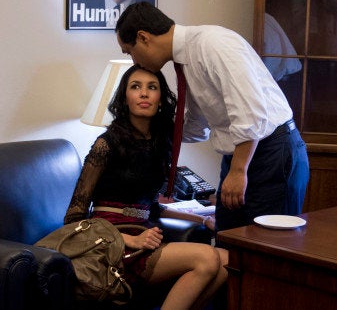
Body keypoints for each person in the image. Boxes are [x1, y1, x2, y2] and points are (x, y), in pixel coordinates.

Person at [115, 2, 310, 235]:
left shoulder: (213, 45)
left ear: (144, 37)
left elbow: (250, 112)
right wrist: (144, 129)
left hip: (270, 154)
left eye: (130, 51)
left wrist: (238, 171)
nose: (135, 62)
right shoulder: (186, 60)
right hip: (242, 154)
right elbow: (197, 126)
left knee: (265, 250)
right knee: (227, 238)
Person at [63, 64, 227, 310]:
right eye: (135, 87)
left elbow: (152, 208)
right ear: (124, 98)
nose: (143, 93)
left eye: (152, 87)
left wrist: (202, 221)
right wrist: (130, 240)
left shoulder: (162, 142)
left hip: (146, 233)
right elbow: (74, 219)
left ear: (160, 98)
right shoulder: (106, 144)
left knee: (226, 262)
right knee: (207, 258)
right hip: (112, 242)